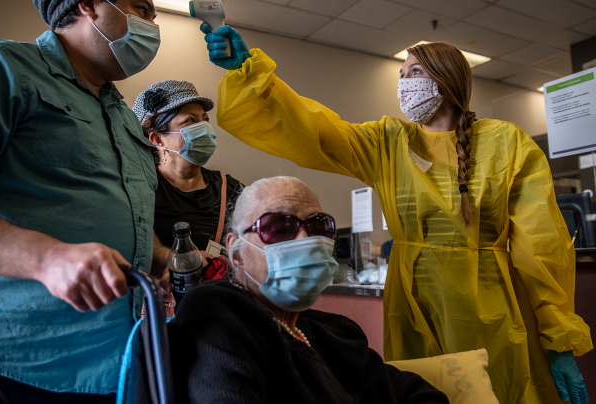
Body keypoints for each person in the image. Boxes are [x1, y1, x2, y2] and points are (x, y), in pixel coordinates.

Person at [199, 25, 593, 404]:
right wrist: (247, 72)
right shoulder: (388, 141)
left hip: (490, 307)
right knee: (420, 390)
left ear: (448, 78)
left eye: (415, 71)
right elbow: (312, 128)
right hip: (411, 302)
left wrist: (558, 337)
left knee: (497, 391)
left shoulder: (508, 143)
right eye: (402, 74)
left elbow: (540, 247)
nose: (405, 82)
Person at [0, 1, 163, 402]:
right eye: (141, 9)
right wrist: (48, 259)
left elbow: (131, 225)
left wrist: (178, 262)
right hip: (8, 359)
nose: (153, 26)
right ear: (88, 5)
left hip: (111, 369)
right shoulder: (0, 66)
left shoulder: (125, 118)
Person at [167, 176, 449, 403]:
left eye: (318, 226)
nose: (305, 238)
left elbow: (420, 396)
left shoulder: (336, 333)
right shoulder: (218, 312)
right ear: (236, 253)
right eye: (278, 228)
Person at [132, 80, 244, 278]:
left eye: (205, 119)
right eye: (190, 120)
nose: (204, 128)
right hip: (162, 304)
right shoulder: (141, 188)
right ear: (157, 139)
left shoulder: (231, 189)